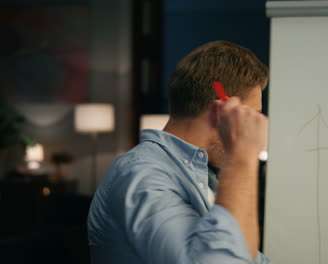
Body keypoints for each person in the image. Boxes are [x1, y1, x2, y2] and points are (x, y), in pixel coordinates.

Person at [88, 40, 271, 264]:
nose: (258, 127)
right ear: (222, 113)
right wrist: (243, 156)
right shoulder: (143, 176)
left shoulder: (201, 174)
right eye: (252, 116)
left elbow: (249, 257)